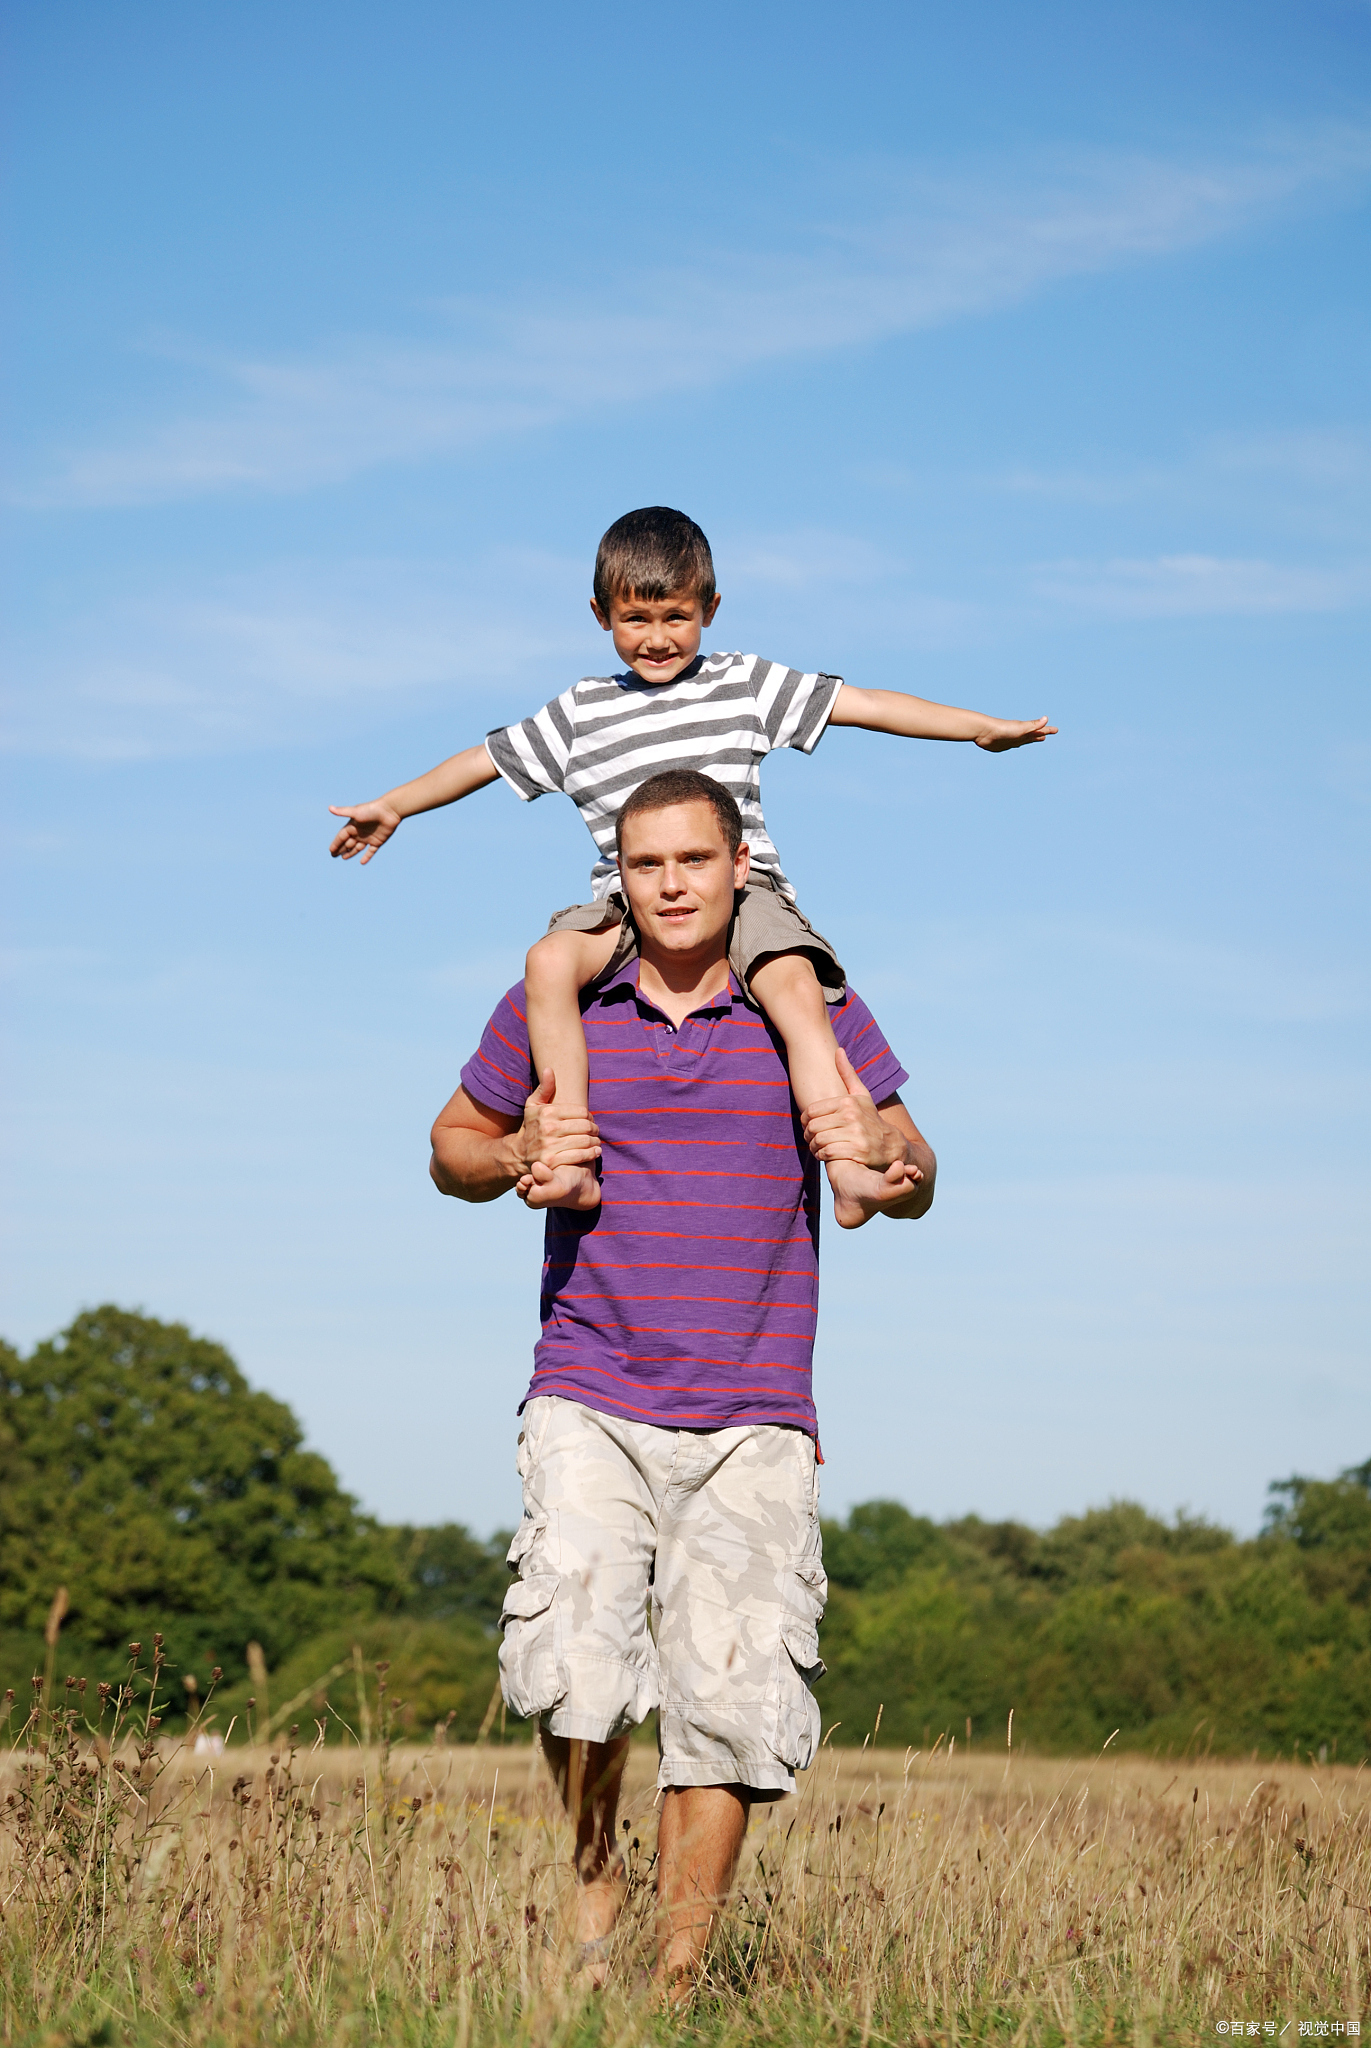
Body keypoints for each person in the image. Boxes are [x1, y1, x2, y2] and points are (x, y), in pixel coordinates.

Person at [428, 767, 935, 1993]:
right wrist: (512, 1155)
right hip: (588, 1385)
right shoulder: (562, 1001)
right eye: (647, 864)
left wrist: (897, 1165)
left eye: (693, 862)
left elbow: (912, 1152)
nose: (670, 885)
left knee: (729, 1697)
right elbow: (450, 1144)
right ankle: (596, 1862)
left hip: (755, 1407)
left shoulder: (807, 1002)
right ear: (621, 873)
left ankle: (671, 1981)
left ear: (737, 869)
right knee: (574, 1662)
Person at [331, 506, 1052, 1228]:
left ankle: (847, 1169)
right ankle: (569, 1158)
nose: (656, 639)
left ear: (710, 608)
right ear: (599, 615)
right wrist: (396, 804)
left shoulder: (741, 685)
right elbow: (482, 761)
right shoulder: (580, 712)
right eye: (634, 619)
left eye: (676, 617)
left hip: (744, 898)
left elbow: (860, 704)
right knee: (547, 960)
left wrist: (977, 727)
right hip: (627, 900)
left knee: (794, 987)